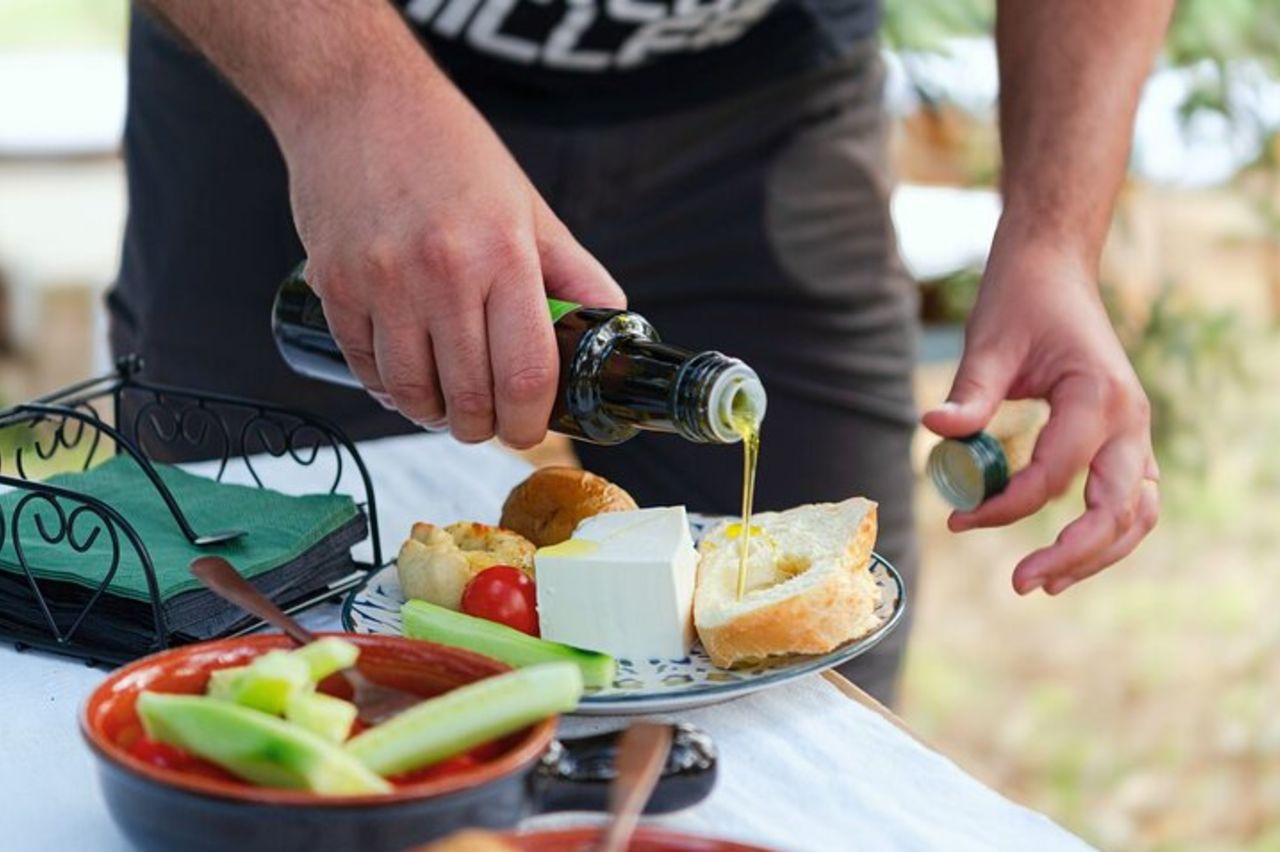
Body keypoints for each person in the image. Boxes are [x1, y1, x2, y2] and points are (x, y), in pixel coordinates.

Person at [113, 0, 1169, 705]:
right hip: (305, 67)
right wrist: (346, 94)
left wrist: (1050, 238)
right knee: (233, 639)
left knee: (806, 707)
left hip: (756, 112)